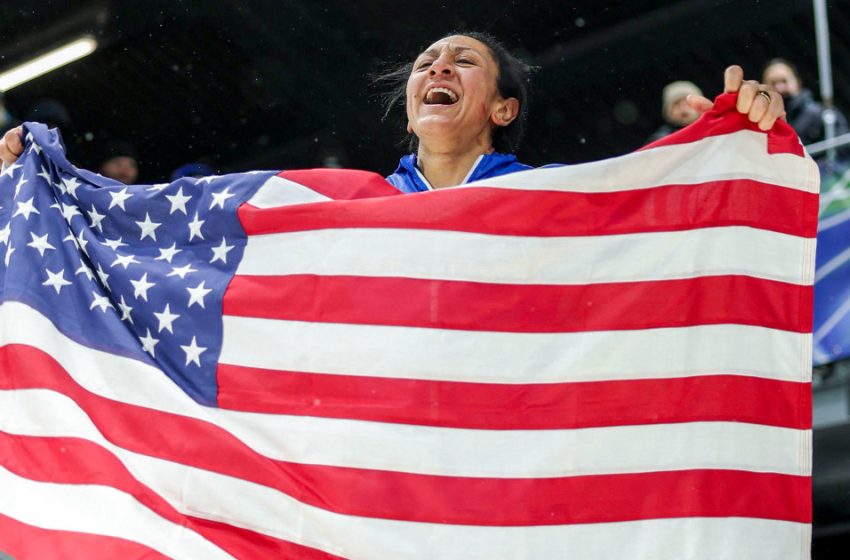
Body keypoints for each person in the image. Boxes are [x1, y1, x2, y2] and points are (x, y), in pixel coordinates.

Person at [1, 33, 787, 186]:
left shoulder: (551, 204)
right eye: (425, 63)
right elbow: (185, 218)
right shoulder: (347, 211)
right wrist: (55, 183)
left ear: (504, 109)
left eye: (463, 61)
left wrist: (749, 141)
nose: (436, 66)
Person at [762, 58, 848, 147]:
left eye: (784, 81)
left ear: (798, 82)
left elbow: (843, 152)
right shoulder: (761, 121)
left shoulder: (821, 114)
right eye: (773, 83)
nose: (780, 87)